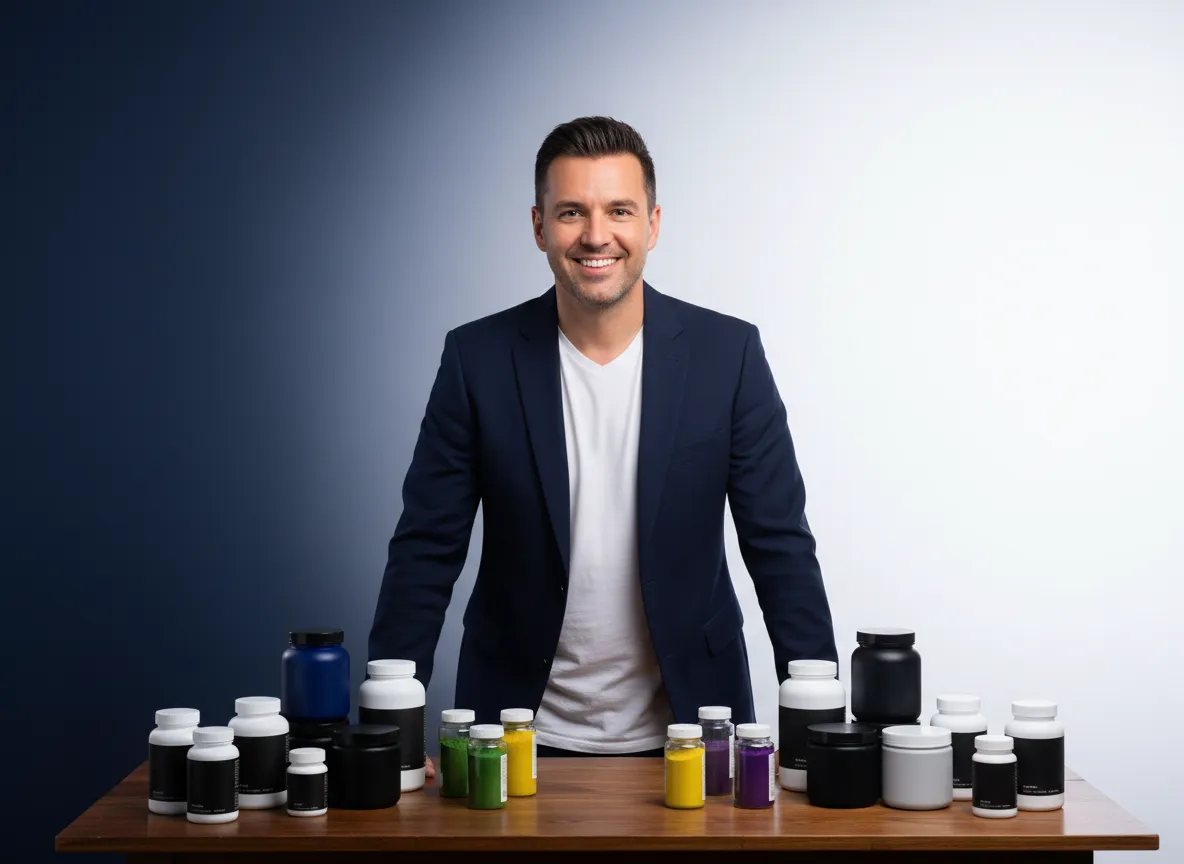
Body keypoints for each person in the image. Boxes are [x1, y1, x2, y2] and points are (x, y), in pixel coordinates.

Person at [369, 116, 837, 776]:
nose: (596, 235)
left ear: (652, 224)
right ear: (539, 226)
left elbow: (779, 543)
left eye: (619, 210)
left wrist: (819, 728)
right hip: (511, 737)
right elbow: (426, 547)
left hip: (695, 735)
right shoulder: (477, 359)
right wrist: (387, 731)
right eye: (571, 212)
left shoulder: (726, 356)